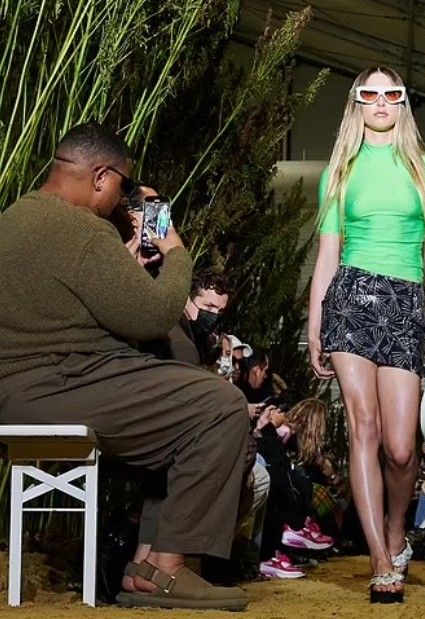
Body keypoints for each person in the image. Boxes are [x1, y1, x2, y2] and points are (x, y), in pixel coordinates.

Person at [0, 122, 249, 610]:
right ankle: (166, 569)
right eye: (121, 185)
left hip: (23, 389)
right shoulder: (79, 230)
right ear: (100, 176)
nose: (120, 198)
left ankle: (144, 566)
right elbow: (152, 315)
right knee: (219, 406)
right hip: (58, 384)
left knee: (181, 405)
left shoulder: (14, 218)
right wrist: (176, 251)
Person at [307, 66, 425, 603]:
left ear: (403, 103)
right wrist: (315, 322)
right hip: (350, 298)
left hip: (405, 304)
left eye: (393, 93)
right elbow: (327, 254)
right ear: (357, 103)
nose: (382, 101)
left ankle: (396, 531)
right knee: (362, 424)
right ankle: (380, 559)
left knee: (401, 448)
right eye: (371, 93)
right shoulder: (338, 171)